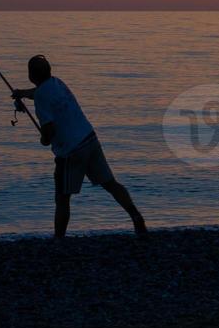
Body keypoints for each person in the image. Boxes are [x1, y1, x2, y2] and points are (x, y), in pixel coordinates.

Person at [13, 55, 148, 238]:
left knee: (62, 198)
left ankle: (59, 239)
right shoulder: (57, 83)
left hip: (71, 151)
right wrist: (22, 93)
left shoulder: (41, 98)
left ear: (30, 75)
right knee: (110, 183)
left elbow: (49, 130)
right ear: (49, 71)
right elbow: (39, 92)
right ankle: (136, 215)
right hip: (89, 139)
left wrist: (44, 140)